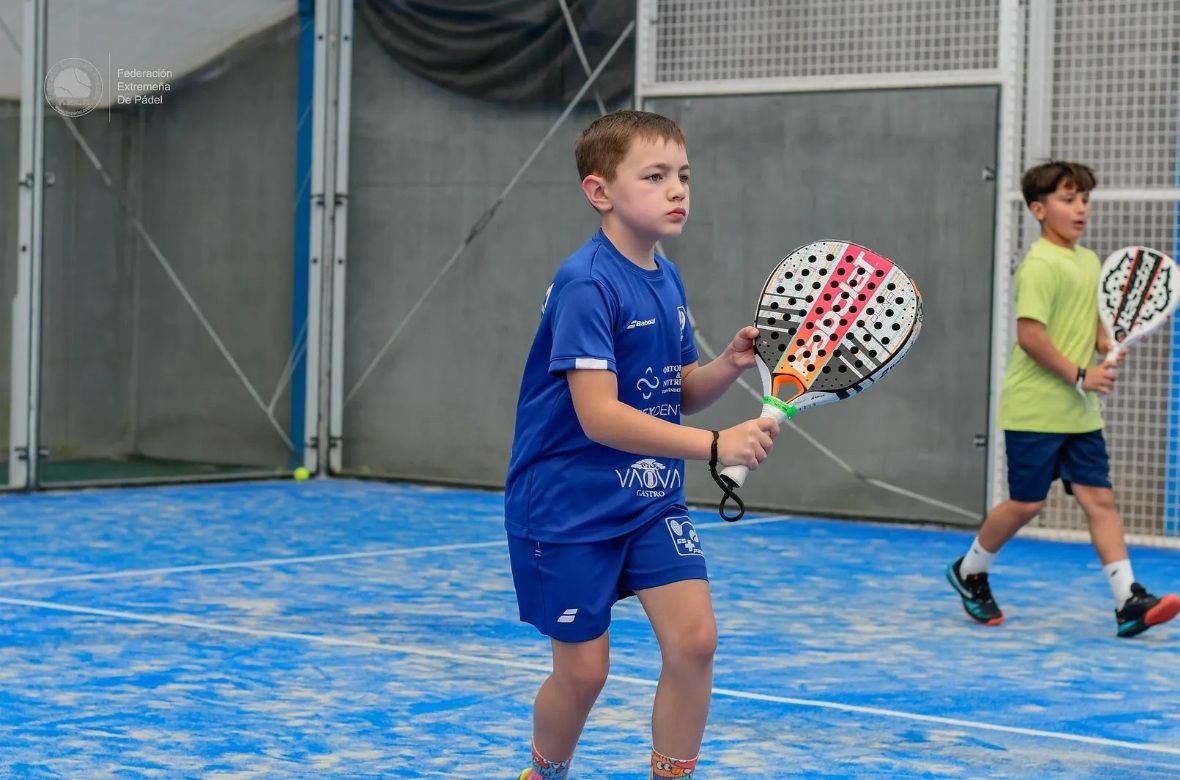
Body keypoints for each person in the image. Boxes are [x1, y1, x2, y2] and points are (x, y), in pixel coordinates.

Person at [504, 109, 780, 779]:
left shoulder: (666, 275)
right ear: (600, 192)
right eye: (654, 176)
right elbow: (599, 415)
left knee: (695, 642)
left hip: (650, 500)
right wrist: (716, 446)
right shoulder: (586, 283)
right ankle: (545, 772)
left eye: (683, 175)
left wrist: (727, 364)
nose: (677, 189)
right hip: (566, 506)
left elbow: (674, 387)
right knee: (583, 674)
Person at [946, 160, 1179, 638]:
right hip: (1035, 407)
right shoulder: (1039, 267)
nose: (1080, 209)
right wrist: (1081, 374)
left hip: (1080, 411)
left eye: (1084, 200)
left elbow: (1095, 328)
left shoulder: (1089, 262)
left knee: (1100, 498)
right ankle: (970, 569)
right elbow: (1031, 337)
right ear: (1038, 209)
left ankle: (1127, 600)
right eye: (1067, 200)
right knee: (1027, 504)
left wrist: (1105, 348)